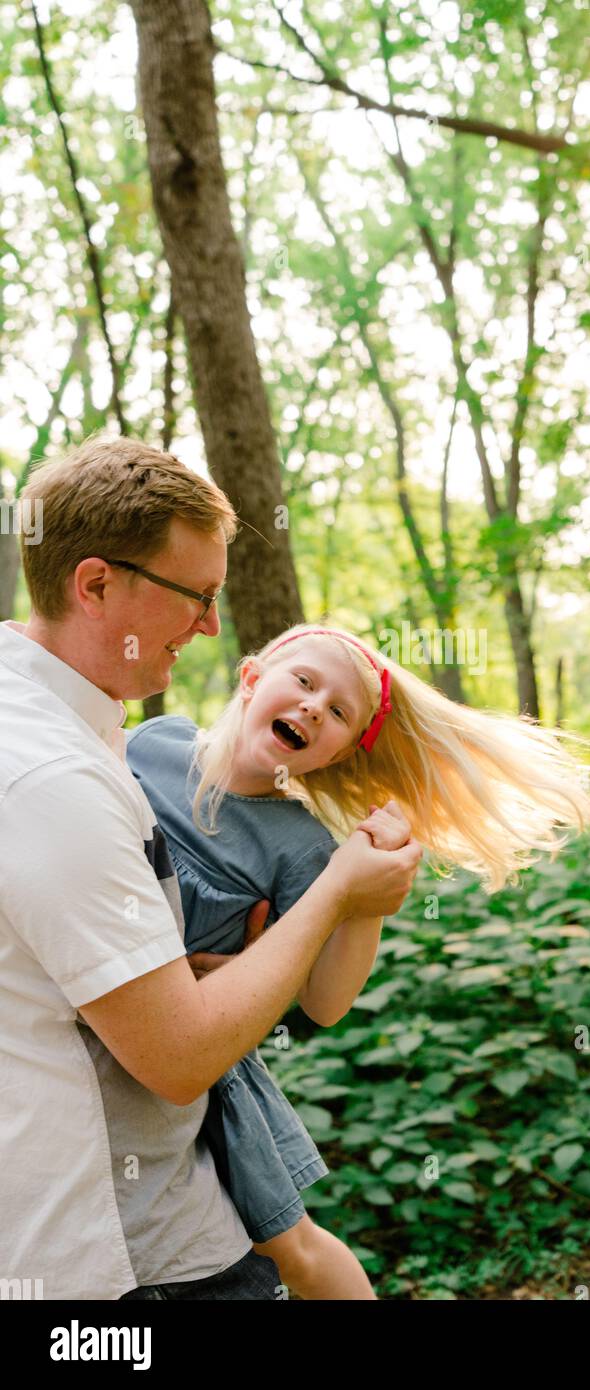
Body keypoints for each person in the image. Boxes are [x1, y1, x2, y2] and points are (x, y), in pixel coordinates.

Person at [0, 438, 421, 1300]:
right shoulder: (73, 770)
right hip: (110, 1240)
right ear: (94, 585)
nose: (210, 624)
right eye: (196, 596)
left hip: (148, 1177)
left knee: (296, 1245)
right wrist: (339, 893)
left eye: (338, 711)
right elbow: (180, 1049)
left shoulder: (79, 728)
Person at [125, 621, 590, 1300]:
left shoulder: (300, 846)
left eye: (339, 711)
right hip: (104, 1014)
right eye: (304, 682)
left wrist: (366, 896)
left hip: (200, 1055)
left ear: (340, 754)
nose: (315, 705)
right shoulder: (152, 742)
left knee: (290, 1248)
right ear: (252, 676)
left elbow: (325, 1001)